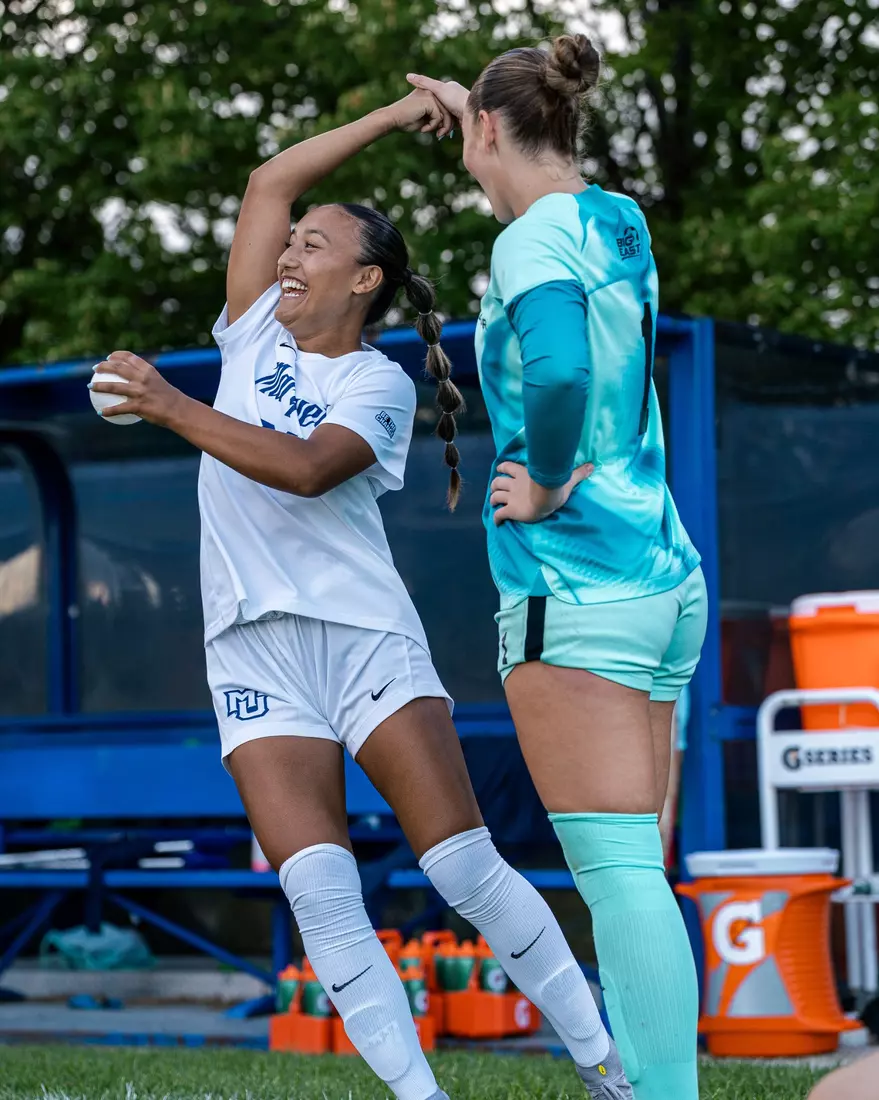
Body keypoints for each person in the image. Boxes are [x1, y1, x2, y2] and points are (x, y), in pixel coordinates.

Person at [90, 89, 633, 1100]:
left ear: (366, 278)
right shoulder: (252, 328)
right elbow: (268, 181)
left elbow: (304, 470)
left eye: (314, 245)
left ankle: (607, 1068)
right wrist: (392, 115)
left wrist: (170, 405)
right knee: (322, 896)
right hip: (249, 648)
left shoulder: (377, 383)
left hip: (362, 637)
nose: (288, 255)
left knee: (462, 869)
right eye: (289, 242)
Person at [406, 34, 708, 1100]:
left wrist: (541, 479)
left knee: (617, 877)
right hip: (661, 578)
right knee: (636, 870)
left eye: (473, 135)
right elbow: (530, 184)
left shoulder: (527, 244)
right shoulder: (613, 217)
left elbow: (564, 371)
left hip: (578, 591)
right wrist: (474, 104)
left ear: (489, 130)